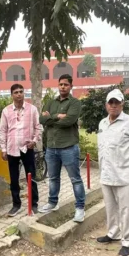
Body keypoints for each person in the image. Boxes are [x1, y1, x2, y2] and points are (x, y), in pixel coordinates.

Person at [95, 89, 129, 256]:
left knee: (127, 210)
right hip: (106, 173)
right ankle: (113, 233)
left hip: (125, 175)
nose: (114, 105)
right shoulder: (102, 123)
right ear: (106, 105)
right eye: (111, 102)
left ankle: (128, 241)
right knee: (111, 208)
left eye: (117, 102)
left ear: (122, 104)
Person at [39, 74, 85, 222]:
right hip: (51, 148)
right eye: (60, 84)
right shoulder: (51, 102)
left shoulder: (75, 103)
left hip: (68, 147)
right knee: (53, 178)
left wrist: (50, 119)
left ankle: (80, 208)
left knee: (75, 179)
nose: (63, 87)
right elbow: (41, 120)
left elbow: (69, 121)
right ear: (58, 86)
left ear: (71, 86)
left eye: (66, 84)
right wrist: (57, 116)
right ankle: (52, 203)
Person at [0, 84, 43, 215]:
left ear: (24, 93)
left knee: (32, 177)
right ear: (12, 95)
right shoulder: (6, 111)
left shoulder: (32, 109)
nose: (19, 94)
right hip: (12, 149)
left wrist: (34, 141)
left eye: (21, 92)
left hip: (27, 148)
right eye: (16, 92)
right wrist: (3, 149)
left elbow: (38, 127)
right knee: (14, 179)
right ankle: (16, 205)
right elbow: (3, 130)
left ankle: (33, 204)